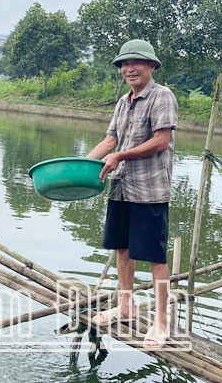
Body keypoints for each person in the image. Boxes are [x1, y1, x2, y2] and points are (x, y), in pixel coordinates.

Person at [85, 38, 178, 348]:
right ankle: (125, 307)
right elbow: (110, 141)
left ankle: (161, 322)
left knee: (154, 255)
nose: (129, 68)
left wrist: (120, 157)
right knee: (121, 248)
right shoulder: (123, 102)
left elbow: (161, 141)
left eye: (136, 62)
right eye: (124, 64)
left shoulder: (162, 96)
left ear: (151, 66)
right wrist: (81, 168)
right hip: (121, 187)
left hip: (150, 190)